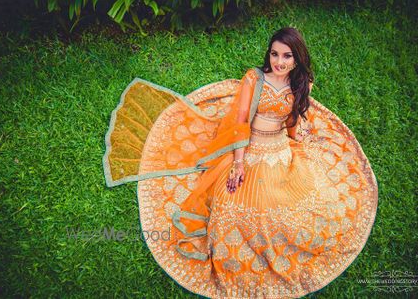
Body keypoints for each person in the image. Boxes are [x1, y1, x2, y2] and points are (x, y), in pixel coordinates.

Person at [103, 27, 378, 298]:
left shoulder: (300, 84)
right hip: (248, 147)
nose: (279, 62)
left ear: (297, 60)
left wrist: (298, 135)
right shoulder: (254, 79)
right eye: (274, 54)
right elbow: (240, 121)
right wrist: (238, 163)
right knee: (231, 209)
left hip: (281, 153)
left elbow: (292, 121)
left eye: (287, 56)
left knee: (296, 213)